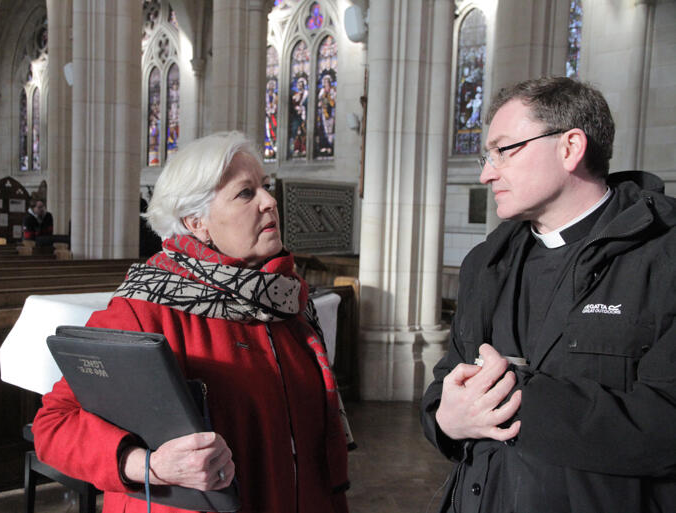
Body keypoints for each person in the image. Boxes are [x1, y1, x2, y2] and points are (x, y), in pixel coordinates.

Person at [33, 131, 353, 513]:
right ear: (196, 221)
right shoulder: (145, 308)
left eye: (266, 187)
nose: (270, 201)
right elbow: (53, 425)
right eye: (246, 193)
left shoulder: (286, 300)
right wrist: (150, 466)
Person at [420, 76, 676, 513]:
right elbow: (446, 381)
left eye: (503, 150)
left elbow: (665, 424)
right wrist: (445, 420)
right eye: (487, 154)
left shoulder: (663, 256)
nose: (486, 172)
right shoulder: (485, 261)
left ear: (570, 147)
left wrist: (513, 397)